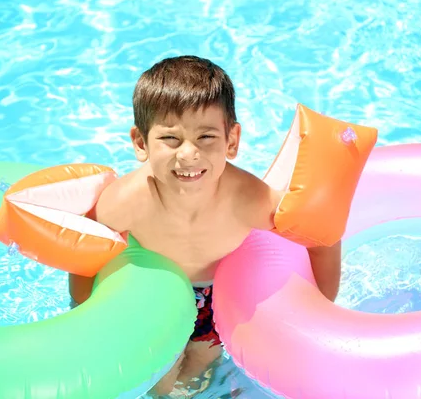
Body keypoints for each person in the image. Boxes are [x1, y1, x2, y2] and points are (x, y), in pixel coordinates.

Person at [68, 55, 342, 396]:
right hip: (149, 296)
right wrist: (81, 312)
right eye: (170, 139)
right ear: (141, 143)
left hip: (216, 298)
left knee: (197, 378)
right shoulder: (125, 202)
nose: (188, 154)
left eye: (206, 137)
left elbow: (320, 234)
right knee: (159, 383)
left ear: (232, 140)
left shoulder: (249, 200)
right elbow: (84, 251)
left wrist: (323, 303)